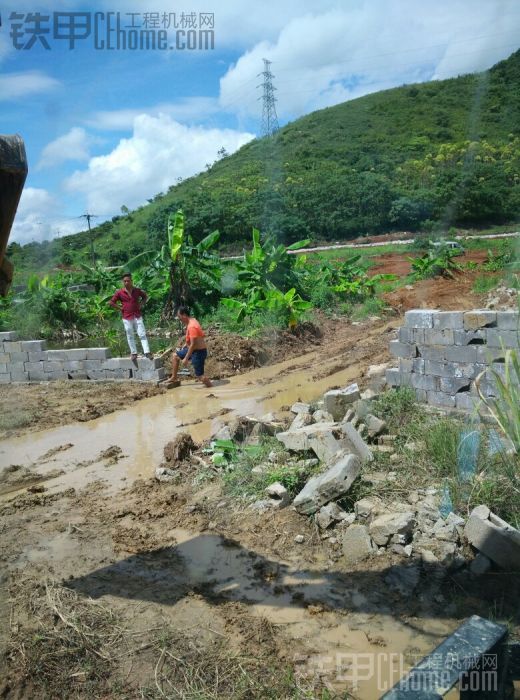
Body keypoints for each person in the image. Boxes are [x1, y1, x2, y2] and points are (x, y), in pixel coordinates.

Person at [109, 273, 152, 360]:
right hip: (127, 317)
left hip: (137, 315)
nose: (126, 282)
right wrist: (121, 308)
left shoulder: (137, 290)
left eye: (128, 281)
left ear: (131, 281)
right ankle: (134, 353)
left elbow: (145, 297)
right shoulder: (120, 292)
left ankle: (147, 352)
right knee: (129, 335)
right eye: (124, 281)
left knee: (142, 334)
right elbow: (111, 302)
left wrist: (141, 304)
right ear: (123, 282)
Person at [167, 306, 212, 388]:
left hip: (199, 352)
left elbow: (193, 344)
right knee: (175, 356)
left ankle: (211, 387)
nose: (180, 320)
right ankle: (174, 377)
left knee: (200, 376)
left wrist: (186, 358)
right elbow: (194, 339)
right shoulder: (192, 320)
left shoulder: (192, 326)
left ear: (184, 315)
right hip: (194, 350)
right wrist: (186, 343)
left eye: (180, 317)